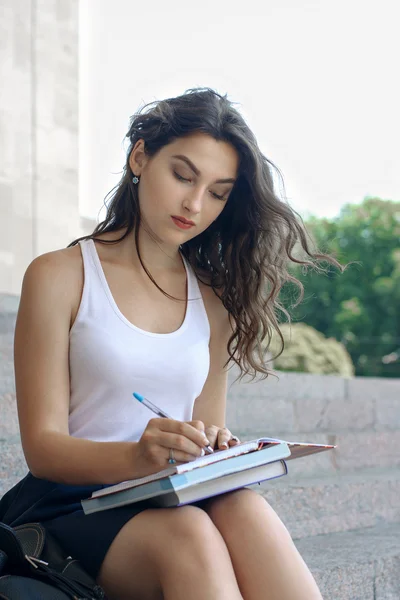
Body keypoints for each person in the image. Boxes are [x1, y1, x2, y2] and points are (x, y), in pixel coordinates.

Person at [0, 87, 342, 599]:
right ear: (140, 156)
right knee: (191, 537)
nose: (194, 203)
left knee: (245, 506)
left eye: (219, 192)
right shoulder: (60, 276)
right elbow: (43, 448)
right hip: (72, 502)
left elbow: (207, 423)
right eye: (182, 175)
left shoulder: (216, 297)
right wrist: (139, 457)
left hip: (169, 492)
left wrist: (214, 446)